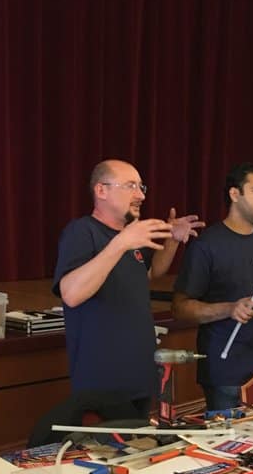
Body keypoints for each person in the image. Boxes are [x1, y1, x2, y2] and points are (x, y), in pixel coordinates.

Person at [53, 159, 203, 414]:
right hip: (103, 382)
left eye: (141, 187)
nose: (140, 195)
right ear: (101, 190)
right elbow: (72, 294)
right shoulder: (82, 231)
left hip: (139, 374)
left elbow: (149, 273)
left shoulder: (131, 236)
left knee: (138, 438)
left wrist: (173, 240)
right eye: (130, 186)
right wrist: (121, 243)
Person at [171, 163, 253, 411]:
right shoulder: (207, 245)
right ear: (234, 194)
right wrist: (229, 309)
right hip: (225, 371)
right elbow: (180, 307)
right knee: (226, 436)